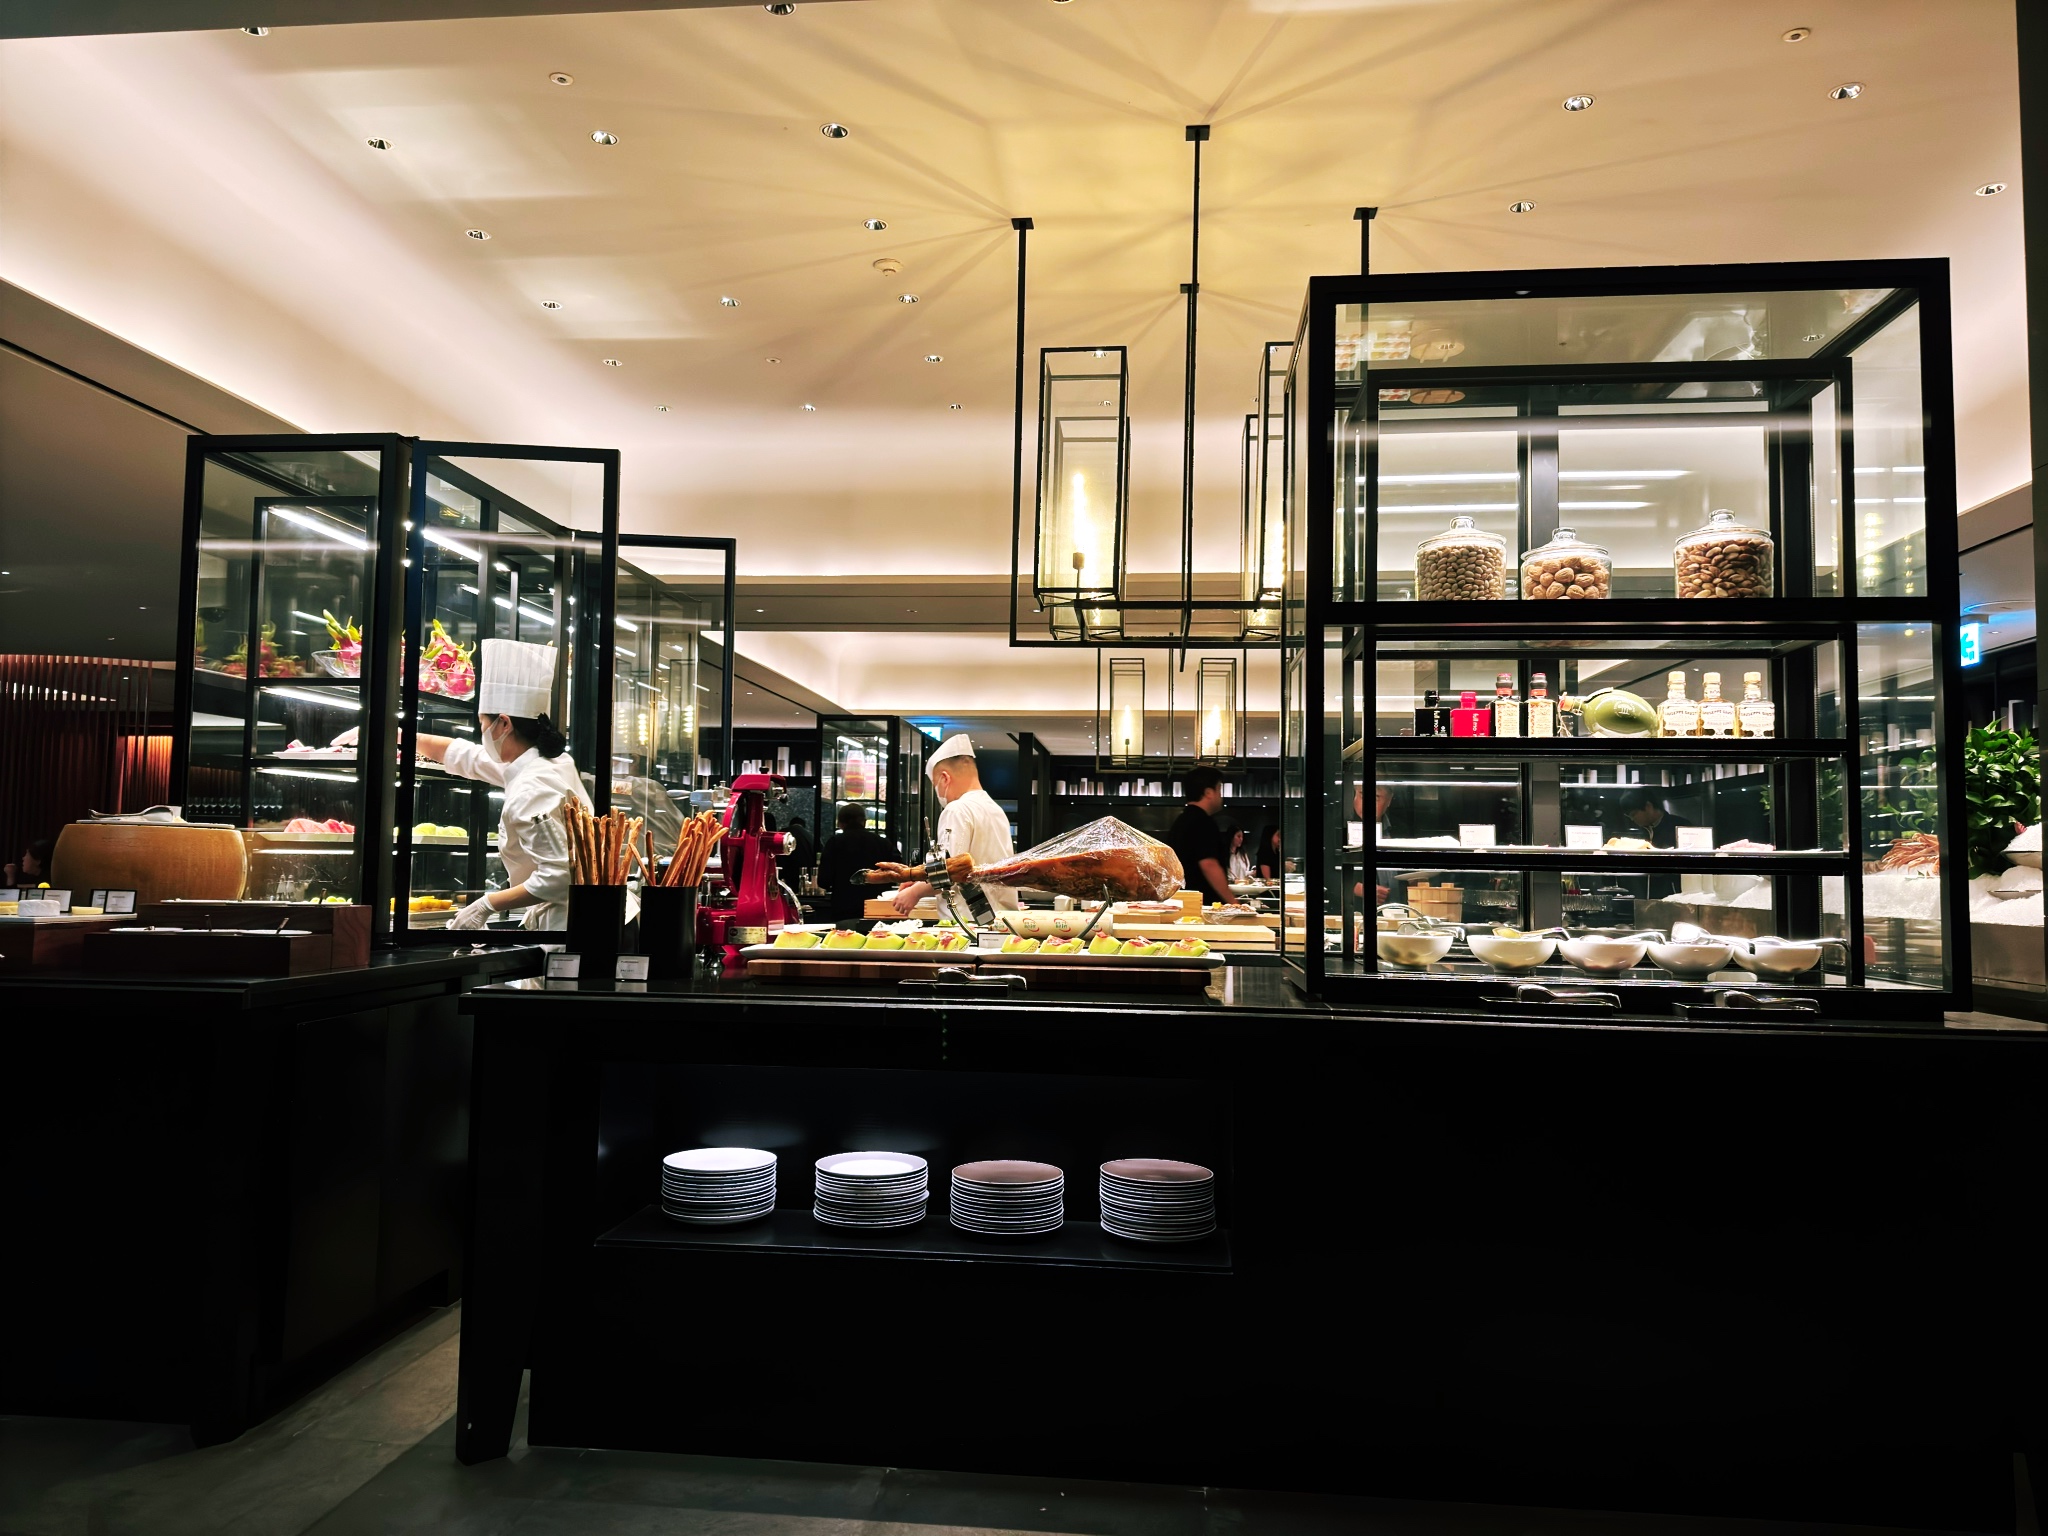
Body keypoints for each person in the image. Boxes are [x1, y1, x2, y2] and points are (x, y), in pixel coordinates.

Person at [338, 637, 593, 929]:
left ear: (504, 724)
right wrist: (398, 734)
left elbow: (559, 877)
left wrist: (487, 905)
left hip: (571, 926)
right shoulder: (547, 762)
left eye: (483, 723)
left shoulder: (533, 786)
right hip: (585, 918)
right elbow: (465, 756)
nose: (482, 731)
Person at [891, 734, 1019, 917]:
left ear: (945, 778)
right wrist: (920, 880)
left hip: (966, 922)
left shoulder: (957, 809)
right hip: (1001, 919)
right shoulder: (994, 809)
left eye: (935, 784)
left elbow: (949, 871)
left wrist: (914, 893)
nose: (938, 793)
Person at [818, 802, 901, 922]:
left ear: (840, 823)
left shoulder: (834, 843)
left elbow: (823, 880)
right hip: (877, 908)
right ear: (864, 821)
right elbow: (898, 871)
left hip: (844, 909)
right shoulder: (883, 843)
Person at [1165, 765, 1233, 906]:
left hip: (1183, 901)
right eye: (1219, 790)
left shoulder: (1181, 821)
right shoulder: (1203, 822)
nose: (1221, 796)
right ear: (1208, 792)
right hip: (1204, 904)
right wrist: (1233, 902)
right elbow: (1209, 865)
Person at [1615, 789, 1689, 849]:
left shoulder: (1681, 827)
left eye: (1633, 814)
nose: (1632, 819)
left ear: (1648, 806)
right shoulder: (1641, 830)